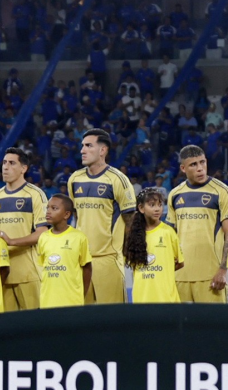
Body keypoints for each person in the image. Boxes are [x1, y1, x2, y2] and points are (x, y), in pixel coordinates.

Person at [68, 129, 136, 303]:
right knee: (82, 314)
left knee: (112, 316)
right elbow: (76, 216)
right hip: (81, 260)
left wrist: (130, 251)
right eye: (82, 146)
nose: (82, 150)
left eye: (88, 146)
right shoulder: (74, 179)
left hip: (108, 260)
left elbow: (131, 219)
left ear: (102, 150)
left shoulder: (117, 179)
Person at [167, 145, 228, 303]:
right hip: (179, 276)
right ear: (183, 168)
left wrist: (223, 270)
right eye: (193, 164)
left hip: (211, 277)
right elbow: (169, 237)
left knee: (211, 320)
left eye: (202, 162)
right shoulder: (175, 194)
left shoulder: (222, 191)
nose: (200, 168)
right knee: (180, 320)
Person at [0, 147, 49, 311]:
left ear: (24, 168)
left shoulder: (35, 194)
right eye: (4, 163)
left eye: (12, 163)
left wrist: (11, 241)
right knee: (6, 325)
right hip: (2, 274)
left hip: (29, 273)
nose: (5, 167)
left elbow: (42, 232)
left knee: (35, 324)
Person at [123, 187, 183, 303]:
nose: (157, 209)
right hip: (142, 298)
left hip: (166, 298)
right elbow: (131, 262)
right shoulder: (133, 235)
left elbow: (180, 262)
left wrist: (163, 269)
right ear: (141, 208)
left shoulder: (168, 232)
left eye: (160, 205)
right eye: (152, 205)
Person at [36, 194, 93, 308]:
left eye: (54, 208)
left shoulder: (79, 237)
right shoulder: (43, 237)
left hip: (72, 301)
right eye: (47, 208)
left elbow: (87, 268)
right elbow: (44, 269)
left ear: (66, 214)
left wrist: (81, 295)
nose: (48, 211)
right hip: (47, 302)